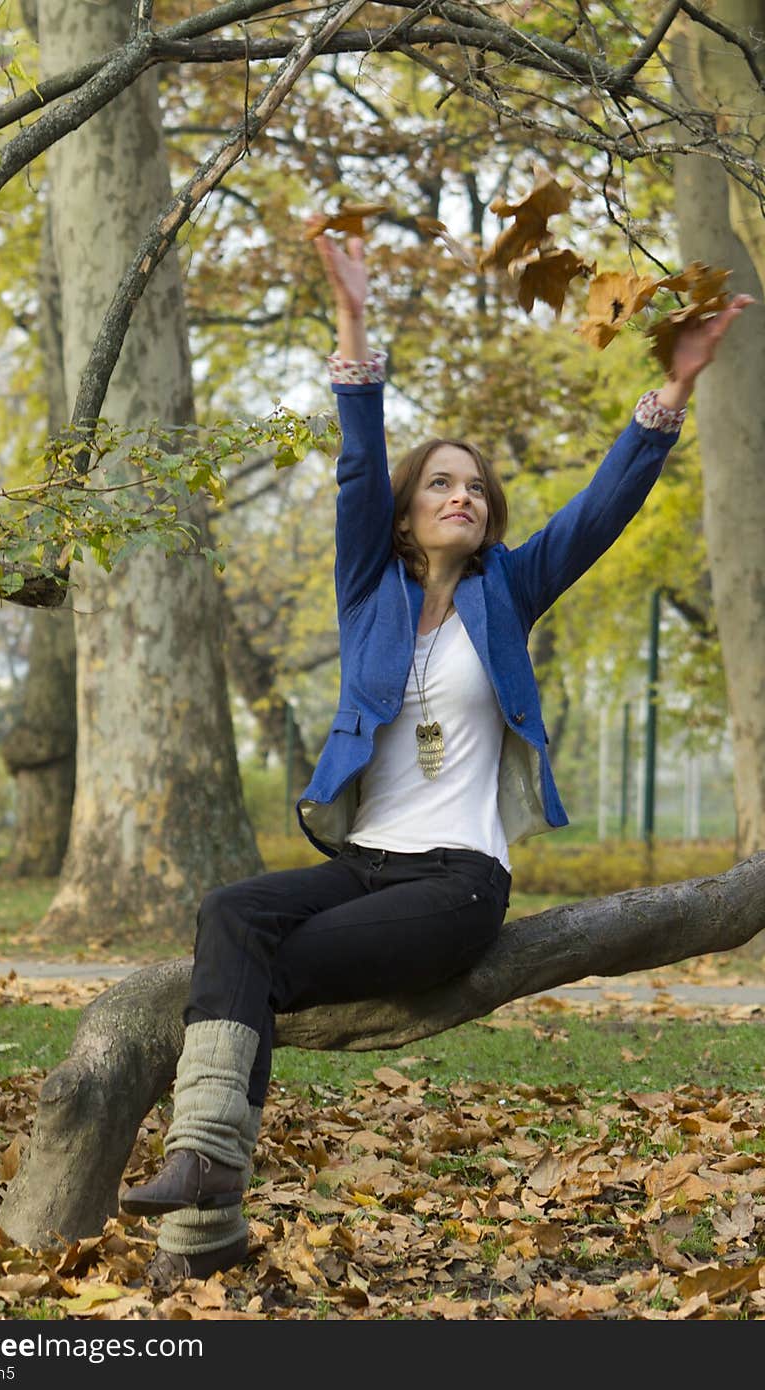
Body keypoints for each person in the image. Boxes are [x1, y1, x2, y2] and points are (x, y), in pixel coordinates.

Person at [120, 230, 752, 1294]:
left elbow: (599, 513)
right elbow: (358, 460)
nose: (463, 496)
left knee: (245, 972)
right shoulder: (366, 590)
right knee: (233, 915)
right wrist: (356, 329)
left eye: (476, 489)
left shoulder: (508, 592)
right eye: (441, 484)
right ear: (408, 511)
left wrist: (669, 390)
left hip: (456, 880)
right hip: (364, 862)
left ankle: (203, 1182)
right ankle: (203, 1187)